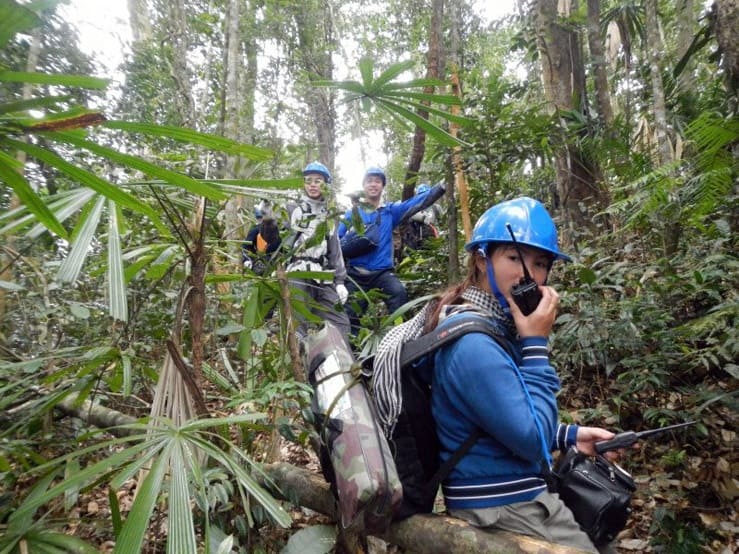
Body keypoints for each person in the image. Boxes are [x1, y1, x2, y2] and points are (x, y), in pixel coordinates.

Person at [371, 197, 618, 552]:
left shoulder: (494, 327)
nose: (527, 275)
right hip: (503, 508)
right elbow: (530, 437)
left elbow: (497, 419)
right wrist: (535, 343)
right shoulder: (473, 342)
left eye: (540, 263)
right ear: (481, 260)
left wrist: (569, 436)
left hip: (514, 498)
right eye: (514, 258)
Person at [338, 166, 445, 334]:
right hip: (356, 274)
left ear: (382, 186)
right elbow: (337, 240)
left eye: (377, 181)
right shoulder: (353, 213)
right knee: (350, 315)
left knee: (399, 294)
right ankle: (356, 353)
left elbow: (416, 203)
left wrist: (441, 187)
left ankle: (400, 337)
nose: (373, 185)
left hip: (382, 273)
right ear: (363, 186)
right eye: (369, 181)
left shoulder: (390, 211)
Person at [282, 161, 351, 339]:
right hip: (296, 270)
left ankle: (340, 362)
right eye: (309, 180)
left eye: (318, 180)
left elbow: (335, 250)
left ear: (326, 184)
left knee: (340, 322)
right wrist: (268, 222)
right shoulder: (291, 208)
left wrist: (340, 281)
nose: (313, 184)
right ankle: (300, 363)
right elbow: (277, 243)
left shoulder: (329, 213)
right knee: (298, 324)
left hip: (321, 273)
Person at [395, 182, 441, 262]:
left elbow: (442, 223)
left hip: (433, 238)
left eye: (426, 194)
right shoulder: (414, 208)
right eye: (421, 195)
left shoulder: (436, 208)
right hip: (414, 240)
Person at [242, 202, 281, 275]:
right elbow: (245, 248)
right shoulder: (256, 231)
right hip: (257, 262)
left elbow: (279, 251)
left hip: (272, 265)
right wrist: (247, 260)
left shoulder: (276, 233)